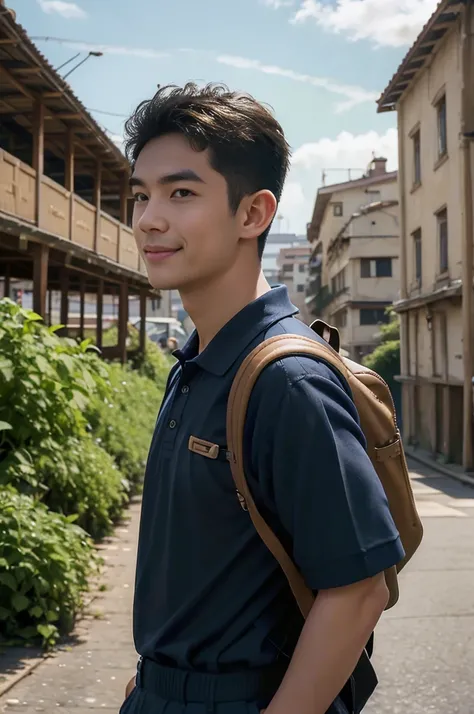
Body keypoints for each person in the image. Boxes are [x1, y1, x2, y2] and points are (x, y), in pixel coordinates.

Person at [120, 83, 404, 714]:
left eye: (182, 193)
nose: (148, 219)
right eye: (141, 195)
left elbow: (359, 591)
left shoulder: (286, 379)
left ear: (253, 214)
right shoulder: (198, 361)